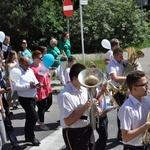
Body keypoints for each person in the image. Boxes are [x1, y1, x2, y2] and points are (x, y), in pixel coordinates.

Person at [57, 63, 93, 150]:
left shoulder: (84, 89)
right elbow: (68, 121)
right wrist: (85, 107)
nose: (85, 80)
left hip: (87, 129)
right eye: (83, 77)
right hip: (74, 133)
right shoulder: (65, 95)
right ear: (74, 79)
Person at [118, 70, 150, 150]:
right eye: (144, 85)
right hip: (133, 148)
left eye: (147, 84)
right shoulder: (127, 108)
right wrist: (145, 126)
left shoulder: (147, 101)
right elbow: (126, 137)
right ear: (134, 88)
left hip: (146, 145)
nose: (147, 87)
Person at [13, 56, 41, 146]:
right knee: (34, 117)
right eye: (26, 65)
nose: (28, 66)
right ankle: (31, 137)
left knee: (29, 117)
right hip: (24, 98)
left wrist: (37, 85)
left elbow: (34, 80)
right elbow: (15, 87)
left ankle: (28, 136)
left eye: (29, 64)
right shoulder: (16, 72)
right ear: (20, 63)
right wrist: (29, 86)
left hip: (32, 97)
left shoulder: (29, 70)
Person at [0, 56, 26, 150]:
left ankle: (14, 144)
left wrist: (5, 90)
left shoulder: (0, 70)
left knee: (7, 123)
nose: (3, 61)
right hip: (1, 101)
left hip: (2, 100)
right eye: (1, 59)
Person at [106, 48, 126, 142]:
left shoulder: (122, 62)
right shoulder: (111, 65)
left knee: (126, 111)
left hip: (125, 89)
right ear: (114, 56)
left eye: (122, 56)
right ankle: (120, 133)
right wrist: (128, 78)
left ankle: (125, 132)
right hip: (117, 90)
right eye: (120, 56)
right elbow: (115, 78)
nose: (122, 58)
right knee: (121, 111)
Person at [30, 50, 52, 130]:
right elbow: (31, 80)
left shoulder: (42, 64)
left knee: (46, 104)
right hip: (38, 90)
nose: (41, 59)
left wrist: (48, 74)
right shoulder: (31, 68)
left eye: (41, 57)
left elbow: (46, 71)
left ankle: (39, 119)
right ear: (35, 58)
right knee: (41, 107)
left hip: (46, 88)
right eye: (39, 58)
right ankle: (42, 124)